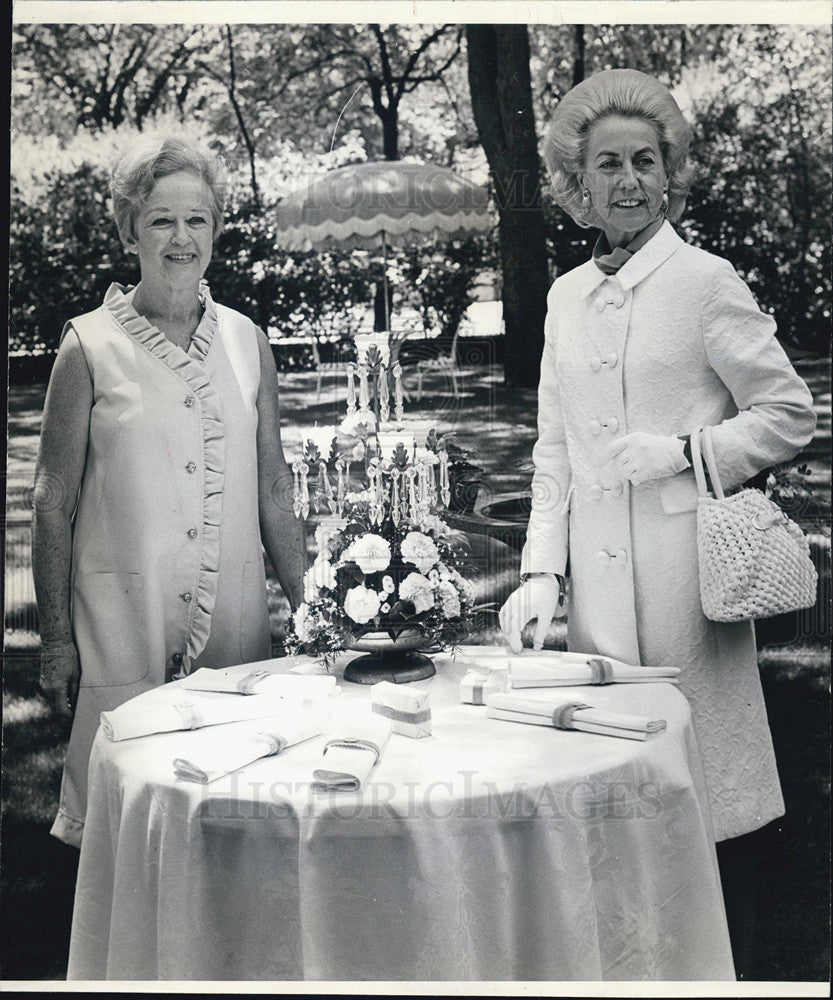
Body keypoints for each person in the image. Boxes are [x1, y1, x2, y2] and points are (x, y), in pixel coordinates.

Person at [498, 69, 816, 976]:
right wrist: (538, 573)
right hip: (598, 599)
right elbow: (552, 446)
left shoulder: (705, 282)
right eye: (608, 165)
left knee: (711, 802)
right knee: (619, 798)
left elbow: (789, 412)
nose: (628, 179)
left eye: (645, 160)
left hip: (689, 583)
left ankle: (729, 975)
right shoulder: (561, 297)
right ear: (576, 184)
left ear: (668, 172)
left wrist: (685, 451)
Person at [32, 133, 306, 848]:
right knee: (127, 827)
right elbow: (51, 500)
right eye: (160, 219)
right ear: (130, 230)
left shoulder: (248, 340)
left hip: (235, 621)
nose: (181, 237)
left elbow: (274, 484)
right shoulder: (87, 345)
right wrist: (56, 641)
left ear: (216, 228)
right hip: (120, 618)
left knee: (233, 818)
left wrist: (313, 608)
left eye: (197, 219)